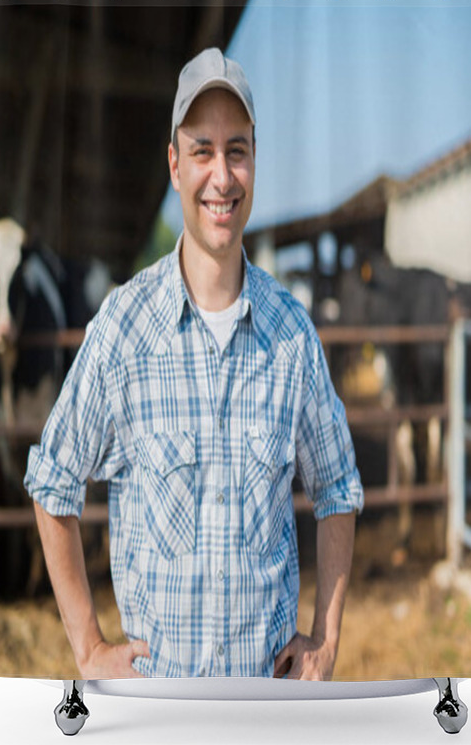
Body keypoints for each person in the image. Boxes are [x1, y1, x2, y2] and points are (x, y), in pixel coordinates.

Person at [24, 48, 364, 680]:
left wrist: (326, 635)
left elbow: (338, 487)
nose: (222, 175)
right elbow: (52, 484)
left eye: (237, 150)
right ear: (174, 165)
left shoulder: (292, 335)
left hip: (267, 706)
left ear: (255, 162)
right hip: (160, 711)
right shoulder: (123, 330)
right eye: (202, 150)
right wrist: (89, 648)